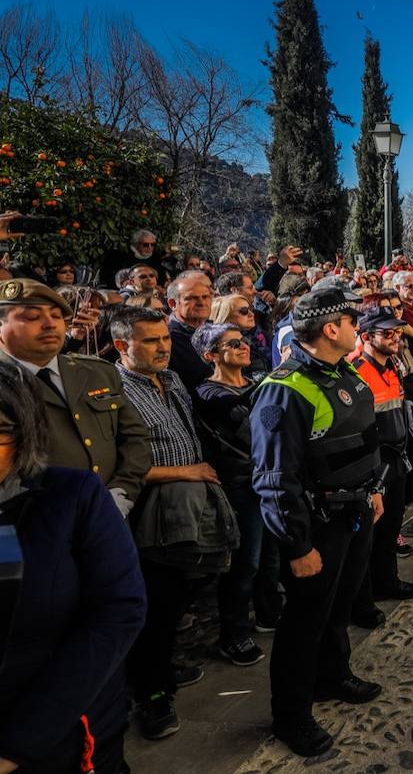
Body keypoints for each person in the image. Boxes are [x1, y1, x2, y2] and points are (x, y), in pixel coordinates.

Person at [250, 285, 387, 758]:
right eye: (351, 321)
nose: (357, 328)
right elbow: (275, 479)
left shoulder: (342, 371)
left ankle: (333, 675)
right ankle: (292, 714)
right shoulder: (283, 390)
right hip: (317, 522)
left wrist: (373, 490)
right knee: (304, 620)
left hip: (355, 509)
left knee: (339, 604)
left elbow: (364, 438)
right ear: (330, 329)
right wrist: (297, 545)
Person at [0, 360, 147, 773]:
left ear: (25, 433)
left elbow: (118, 610)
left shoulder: (68, 497)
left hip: (63, 732)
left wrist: (18, 745)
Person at [113, 307, 238, 741]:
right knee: (154, 602)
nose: (163, 347)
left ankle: (162, 666)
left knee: (176, 597)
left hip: (189, 503)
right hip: (149, 509)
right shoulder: (114, 391)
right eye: (150, 341)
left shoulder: (171, 380)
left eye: (165, 338)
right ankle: (151, 694)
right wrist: (183, 472)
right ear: (122, 345)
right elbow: (114, 466)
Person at [0, 278, 151, 516]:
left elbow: (135, 439)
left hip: (110, 516)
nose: (50, 324)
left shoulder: (97, 372)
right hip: (30, 522)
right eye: (32, 317)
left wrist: (120, 493)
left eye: (57, 316)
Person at [192, 322, 268, 667]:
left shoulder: (254, 383)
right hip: (239, 486)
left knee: (271, 558)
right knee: (244, 563)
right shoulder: (208, 393)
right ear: (211, 355)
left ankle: (268, 613)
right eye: (233, 343)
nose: (243, 346)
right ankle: (233, 635)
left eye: (244, 341)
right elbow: (245, 422)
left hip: (268, 482)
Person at [349, 307, 413, 627]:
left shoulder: (393, 365)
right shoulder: (357, 372)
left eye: (397, 332)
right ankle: (362, 602)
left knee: (391, 526)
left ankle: (387, 581)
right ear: (367, 337)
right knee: (367, 536)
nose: (396, 338)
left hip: (396, 458)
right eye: (388, 333)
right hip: (374, 462)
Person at [166, 271, 215, 390]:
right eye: (192, 298)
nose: (201, 302)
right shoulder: (166, 339)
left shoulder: (215, 330)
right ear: (173, 304)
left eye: (205, 297)